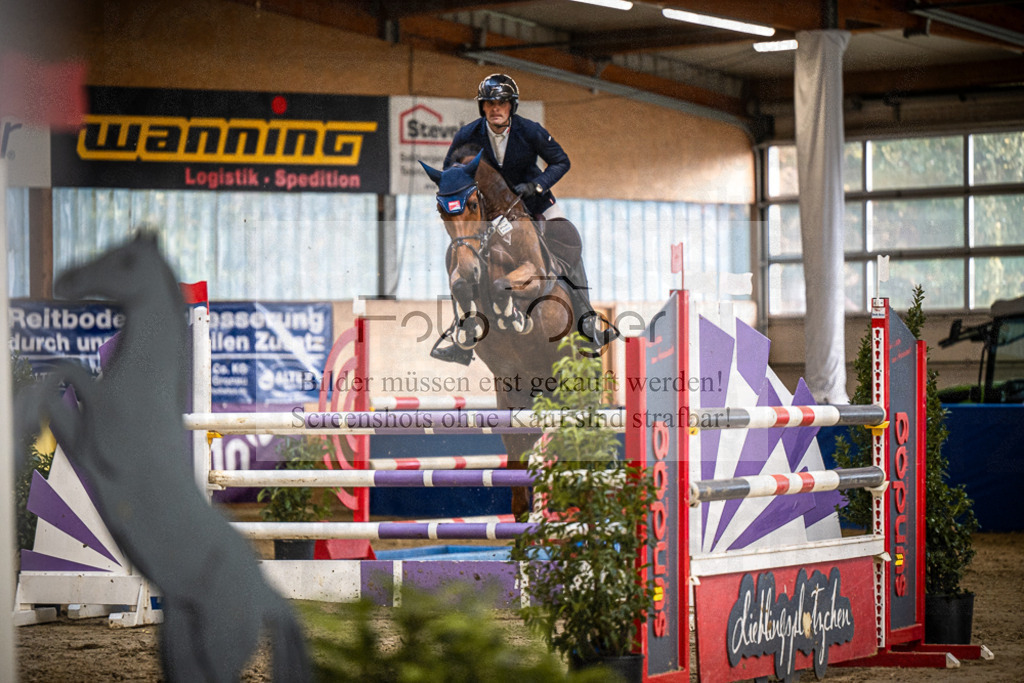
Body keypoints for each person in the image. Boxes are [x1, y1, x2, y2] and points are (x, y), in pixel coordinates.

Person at [431, 74, 616, 366]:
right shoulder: (467, 136)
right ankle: (462, 331)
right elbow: (451, 177)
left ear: (511, 106)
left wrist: (538, 185)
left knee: (567, 240)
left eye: (501, 103)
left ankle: (587, 319)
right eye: (490, 103)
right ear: (483, 107)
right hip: (488, 214)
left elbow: (561, 161)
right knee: (458, 251)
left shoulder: (529, 131)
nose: (495, 108)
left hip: (533, 204)